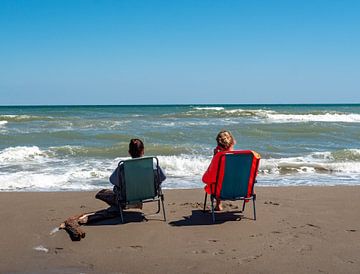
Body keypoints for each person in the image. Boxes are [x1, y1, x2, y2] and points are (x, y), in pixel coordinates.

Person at [109, 138, 166, 209]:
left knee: (116, 187)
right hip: (151, 194)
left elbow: (112, 180)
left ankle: (131, 203)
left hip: (128, 196)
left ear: (129, 152)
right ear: (143, 151)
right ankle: (137, 202)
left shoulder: (123, 167)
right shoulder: (152, 164)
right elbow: (163, 177)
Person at [202, 130, 236, 211]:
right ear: (232, 142)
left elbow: (207, 178)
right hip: (237, 189)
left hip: (220, 190)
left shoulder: (219, 158)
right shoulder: (239, 157)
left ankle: (218, 204)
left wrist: (215, 156)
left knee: (215, 182)